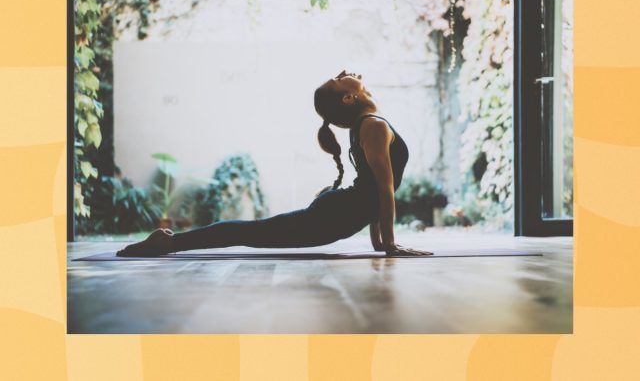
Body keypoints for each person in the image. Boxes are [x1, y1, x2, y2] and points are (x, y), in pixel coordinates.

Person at [116, 70, 432, 257]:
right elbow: (382, 189)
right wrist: (388, 244)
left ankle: (170, 242)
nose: (348, 74)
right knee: (250, 232)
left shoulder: (367, 125)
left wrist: (380, 242)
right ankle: (169, 242)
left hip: (340, 214)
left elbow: (375, 191)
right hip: (335, 216)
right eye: (338, 79)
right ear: (349, 98)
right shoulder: (373, 126)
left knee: (252, 232)